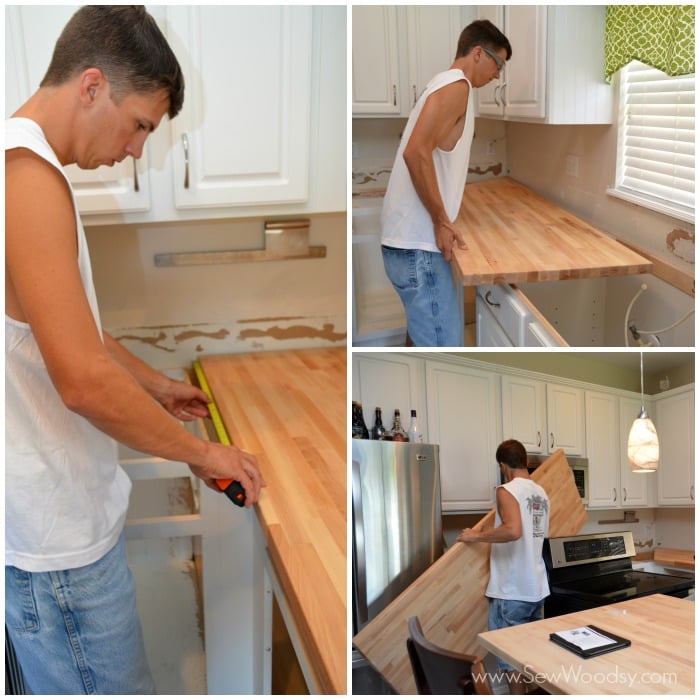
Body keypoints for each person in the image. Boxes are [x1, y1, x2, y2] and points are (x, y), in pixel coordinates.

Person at [5, 6, 264, 694]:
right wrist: (207, 454)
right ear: (91, 87)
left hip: (55, 538)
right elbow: (83, 382)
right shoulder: (28, 182)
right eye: (142, 125)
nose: (137, 149)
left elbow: (68, 335)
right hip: (60, 551)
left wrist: (154, 384)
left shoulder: (22, 169)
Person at [381, 20, 512, 347]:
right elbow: (416, 152)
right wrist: (441, 219)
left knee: (421, 341)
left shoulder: (443, 85)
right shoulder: (457, 87)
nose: (498, 75)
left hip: (407, 247)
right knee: (444, 354)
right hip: (418, 250)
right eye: (499, 64)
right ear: (478, 53)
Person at [457, 440, 550, 694]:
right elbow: (523, 529)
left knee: (510, 664)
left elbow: (513, 530)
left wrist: (474, 537)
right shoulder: (540, 493)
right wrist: (486, 531)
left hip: (512, 591)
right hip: (536, 590)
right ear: (525, 462)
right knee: (528, 660)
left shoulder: (506, 490)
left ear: (502, 465)